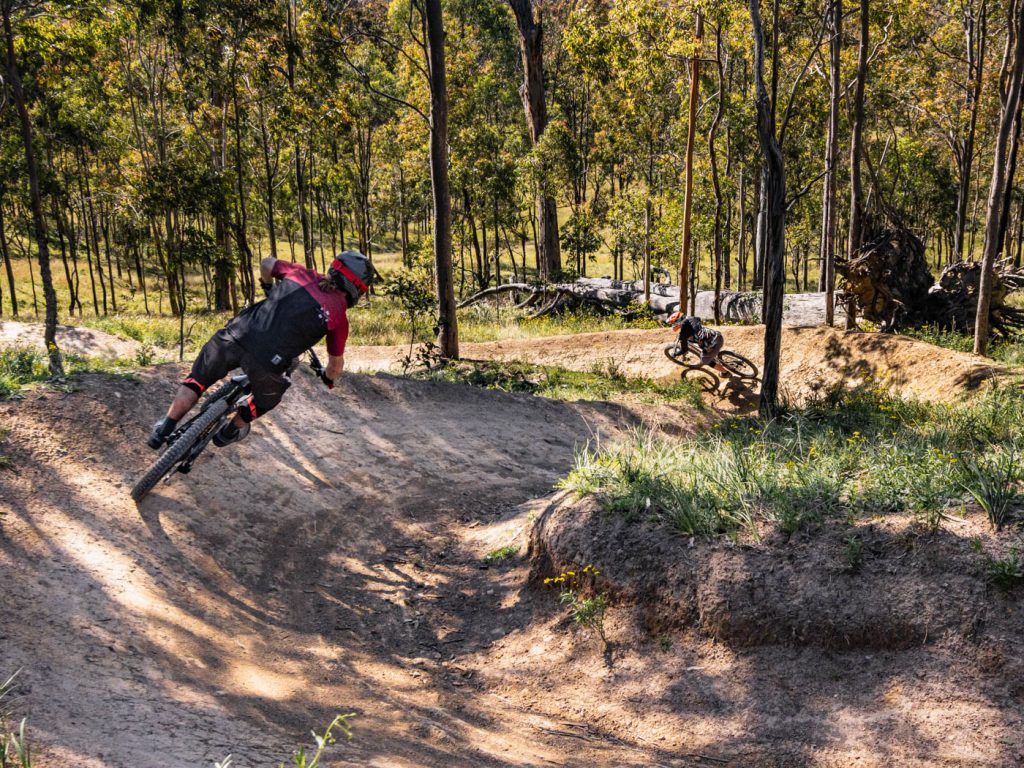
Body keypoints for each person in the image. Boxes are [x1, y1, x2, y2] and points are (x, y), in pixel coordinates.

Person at [147, 251, 374, 450]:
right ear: (357, 289)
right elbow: (335, 367)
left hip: (235, 336)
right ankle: (231, 430)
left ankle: (164, 429)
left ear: (334, 268)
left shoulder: (301, 274)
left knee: (197, 381)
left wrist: (267, 286)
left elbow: (267, 264)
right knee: (266, 399)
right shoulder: (338, 318)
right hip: (267, 364)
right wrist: (327, 377)